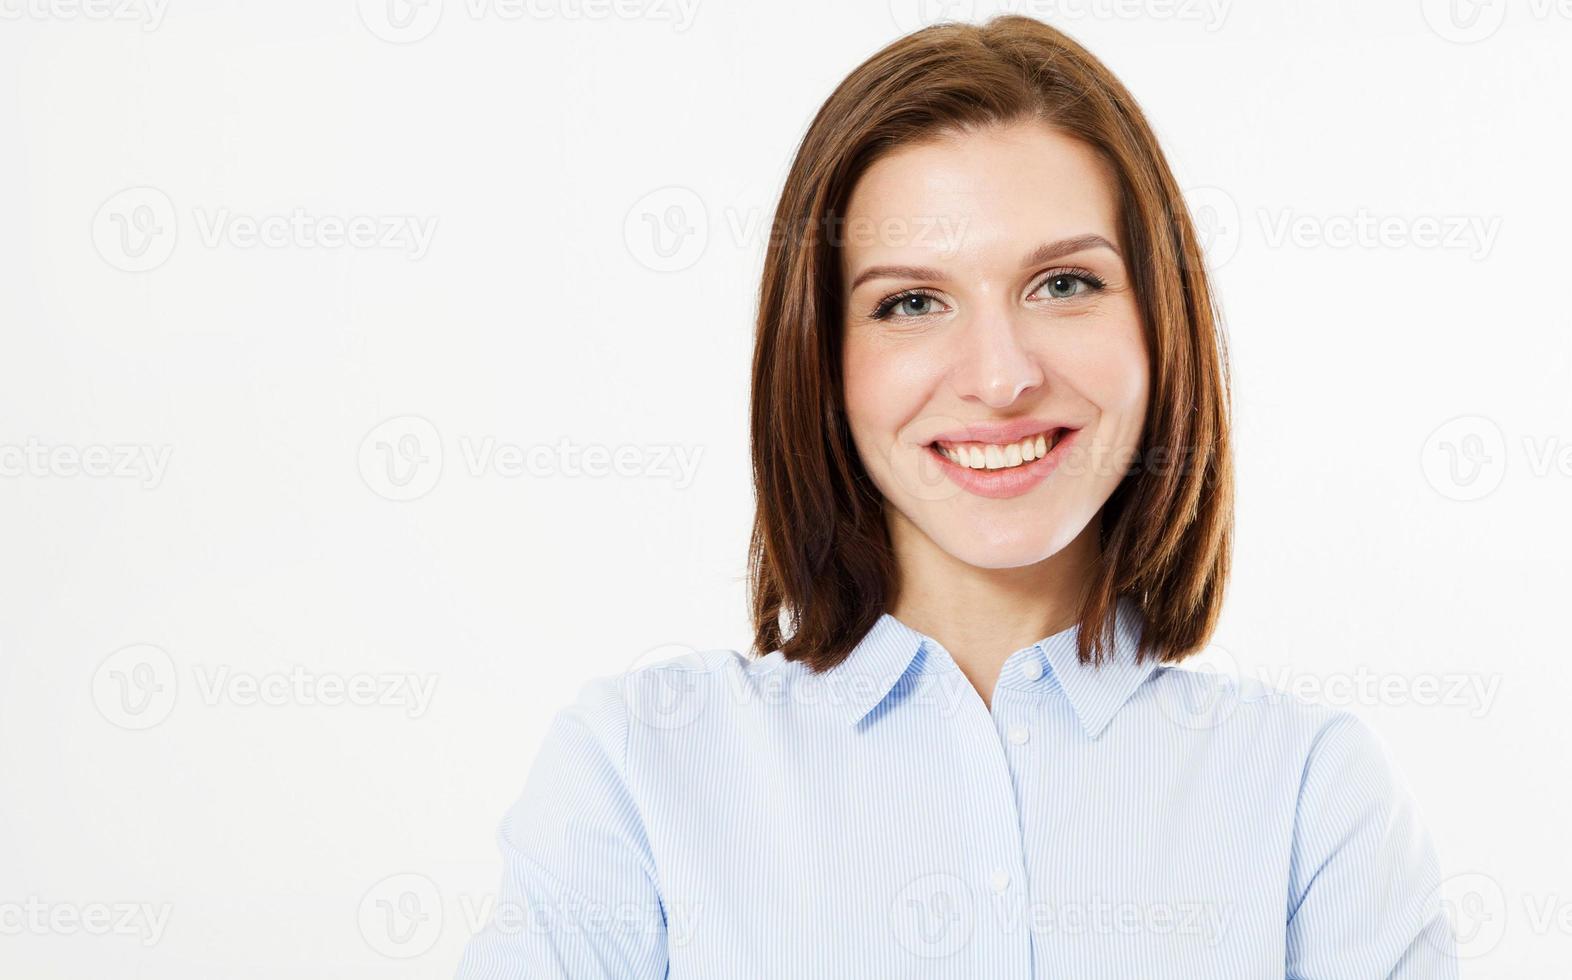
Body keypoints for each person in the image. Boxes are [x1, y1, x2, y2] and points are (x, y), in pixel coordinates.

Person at [457, 14, 1456, 978]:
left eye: (1063, 283)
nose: (999, 375)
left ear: (1160, 323)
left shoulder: (1310, 797)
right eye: (911, 301)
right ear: (822, 360)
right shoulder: (638, 771)